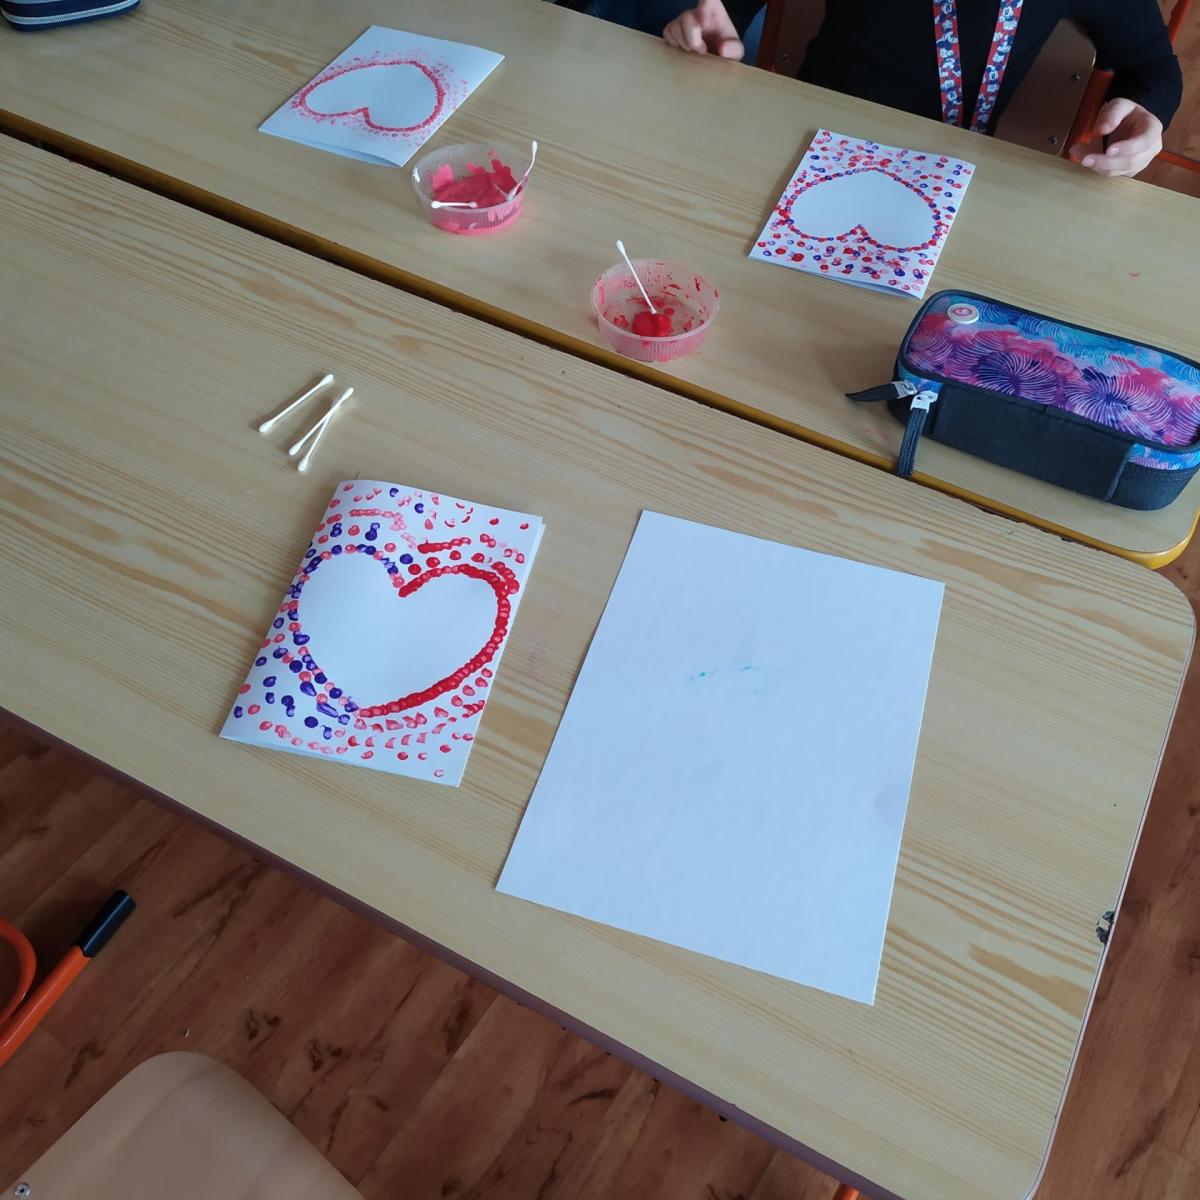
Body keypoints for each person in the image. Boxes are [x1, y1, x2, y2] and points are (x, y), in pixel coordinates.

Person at [661, 0, 1182, 177]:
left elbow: (1153, 64)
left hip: (954, 176)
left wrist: (1149, 115)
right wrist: (711, 19)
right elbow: (721, 9)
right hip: (807, 148)